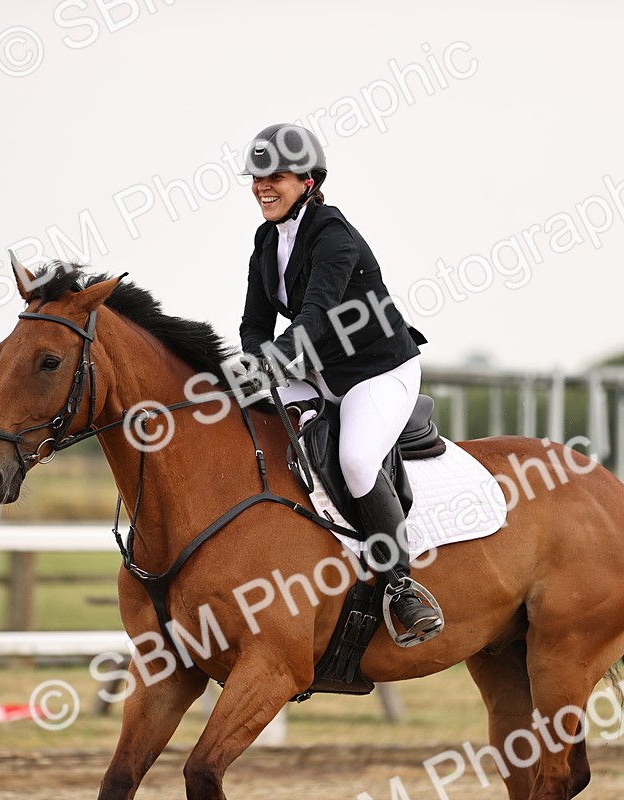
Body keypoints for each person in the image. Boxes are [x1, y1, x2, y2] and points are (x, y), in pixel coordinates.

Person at [238, 123, 442, 643]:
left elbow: (315, 319)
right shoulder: (267, 240)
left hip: (378, 371)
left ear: (308, 180)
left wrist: (271, 364)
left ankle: (401, 585)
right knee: (247, 428)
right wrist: (251, 366)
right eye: (258, 176)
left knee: (354, 459)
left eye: (276, 175)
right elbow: (255, 326)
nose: (263, 185)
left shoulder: (333, 236)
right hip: (317, 371)